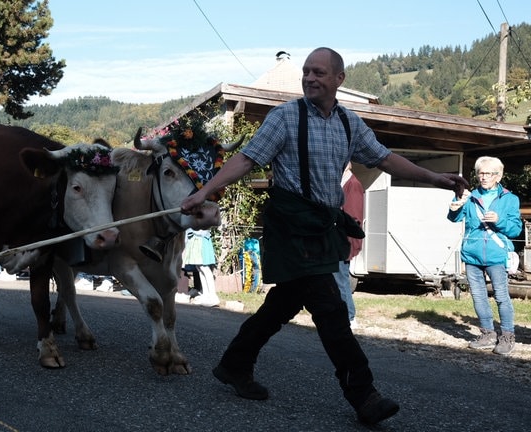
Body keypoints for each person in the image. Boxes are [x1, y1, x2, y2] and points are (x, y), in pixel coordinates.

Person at [180, 47, 468, 426]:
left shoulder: (349, 123)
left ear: (339, 79)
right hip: (291, 224)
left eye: (318, 72)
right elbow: (247, 159)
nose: (310, 78)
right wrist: (204, 190)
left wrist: (434, 177)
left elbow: (384, 158)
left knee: (283, 304)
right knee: (330, 308)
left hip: (322, 226)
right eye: (306, 72)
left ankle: (235, 364)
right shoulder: (284, 118)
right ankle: (363, 395)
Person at [447, 156, 522, 355]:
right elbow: (455, 218)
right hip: (472, 254)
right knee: (478, 296)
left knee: (501, 296)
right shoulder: (469, 197)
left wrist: (499, 221)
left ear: (498, 176)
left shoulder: (510, 199)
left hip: (497, 255)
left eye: (488, 173)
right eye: (480, 173)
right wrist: (454, 206)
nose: (483, 177)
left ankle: (507, 336)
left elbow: (515, 230)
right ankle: (487, 334)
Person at [333, 162, 364, 328]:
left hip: (344, 240)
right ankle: (344, 315)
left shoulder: (352, 184)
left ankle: (350, 317)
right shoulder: (343, 183)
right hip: (338, 239)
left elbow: (353, 217)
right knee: (337, 278)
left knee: (341, 278)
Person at [182, 228, 219, 307]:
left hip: (200, 238)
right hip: (195, 238)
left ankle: (213, 296)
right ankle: (205, 294)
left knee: (204, 267)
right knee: (199, 268)